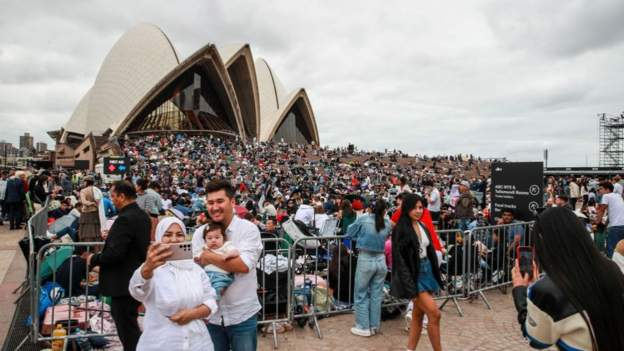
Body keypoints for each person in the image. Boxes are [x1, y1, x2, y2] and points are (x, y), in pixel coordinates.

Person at [512, 207, 624, 350]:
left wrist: (521, 292)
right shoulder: (611, 268)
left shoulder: (547, 290)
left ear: (542, 240)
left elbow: (537, 340)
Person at [192, 180, 263, 351]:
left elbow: (243, 265)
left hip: (242, 314)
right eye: (210, 202)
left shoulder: (248, 230)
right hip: (212, 317)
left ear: (232, 202)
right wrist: (225, 262)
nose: (214, 207)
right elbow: (196, 268)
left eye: (219, 201)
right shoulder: (200, 233)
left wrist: (208, 256)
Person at [129, 217, 218, 350]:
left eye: (180, 234)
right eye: (168, 235)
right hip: (162, 343)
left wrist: (192, 314)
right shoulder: (152, 268)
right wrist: (147, 268)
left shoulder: (195, 269)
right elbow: (137, 292)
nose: (174, 239)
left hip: (197, 342)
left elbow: (210, 300)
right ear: (159, 237)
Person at [87, 180, 151, 351]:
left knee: (126, 328)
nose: (112, 200)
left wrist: (94, 258)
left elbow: (115, 254)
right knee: (130, 324)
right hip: (134, 279)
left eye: (113, 196)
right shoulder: (142, 216)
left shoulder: (125, 219)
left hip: (122, 283)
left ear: (122, 196)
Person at [391, 194, 443, 351]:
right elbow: (400, 262)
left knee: (418, 316)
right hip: (414, 275)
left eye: (421, 207)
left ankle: (410, 349)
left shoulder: (423, 226)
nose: (418, 211)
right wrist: (410, 288)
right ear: (407, 208)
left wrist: (436, 274)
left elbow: (430, 252)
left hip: (426, 271)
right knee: (434, 314)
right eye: (414, 208)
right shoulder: (400, 230)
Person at [347, 198, 391, 337]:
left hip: (366, 259)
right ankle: (374, 326)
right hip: (381, 260)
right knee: (376, 295)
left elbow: (350, 232)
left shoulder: (364, 219)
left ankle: (363, 326)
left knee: (361, 293)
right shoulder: (387, 223)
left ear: (370, 208)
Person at [201, 222, 239, 300]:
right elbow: (201, 258)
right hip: (206, 274)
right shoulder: (206, 248)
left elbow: (236, 252)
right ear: (205, 240)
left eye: (217, 237)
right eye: (209, 238)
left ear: (223, 238)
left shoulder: (225, 246)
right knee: (203, 288)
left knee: (217, 287)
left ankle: (215, 299)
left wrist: (227, 255)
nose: (213, 240)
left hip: (221, 275)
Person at [595, 181, 624, 257]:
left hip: (616, 227)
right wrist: (605, 225)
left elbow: (601, 210)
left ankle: (611, 266)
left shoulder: (606, 196)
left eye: (601, 189)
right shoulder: (618, 196)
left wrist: (597, 223)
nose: (599, 191)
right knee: (620, 250)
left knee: (611, 249)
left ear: (607, 190)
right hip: (621, 225)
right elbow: (612, 213)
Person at [78, 177, 101, 243]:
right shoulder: (97, 190)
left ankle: (87, 249)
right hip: (96, 212)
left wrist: (92, 203)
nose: (83, 183)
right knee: (96, 232)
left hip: (86, 213)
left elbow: (84, 202)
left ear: (86, 182)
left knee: (86, 232)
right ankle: (97, 249)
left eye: (84, 182)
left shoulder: (83, 190)